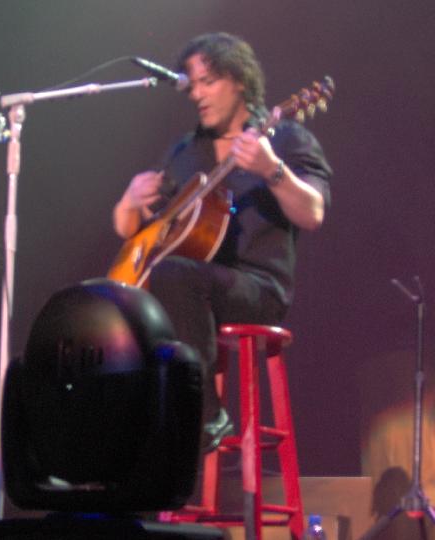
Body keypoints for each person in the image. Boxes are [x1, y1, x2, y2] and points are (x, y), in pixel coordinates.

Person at [112, 32, 332, 451]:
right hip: (187, 290)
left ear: (240, 81)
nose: (196, 94)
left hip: (257, 289)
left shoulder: (284, 139)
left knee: (173, 275)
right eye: (192, 84)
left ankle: (205, 415)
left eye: (208, 82)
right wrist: (129, 202)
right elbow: (133, 232)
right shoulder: (185, 152)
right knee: (111, 303)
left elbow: (313, 213)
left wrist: (273, 171)